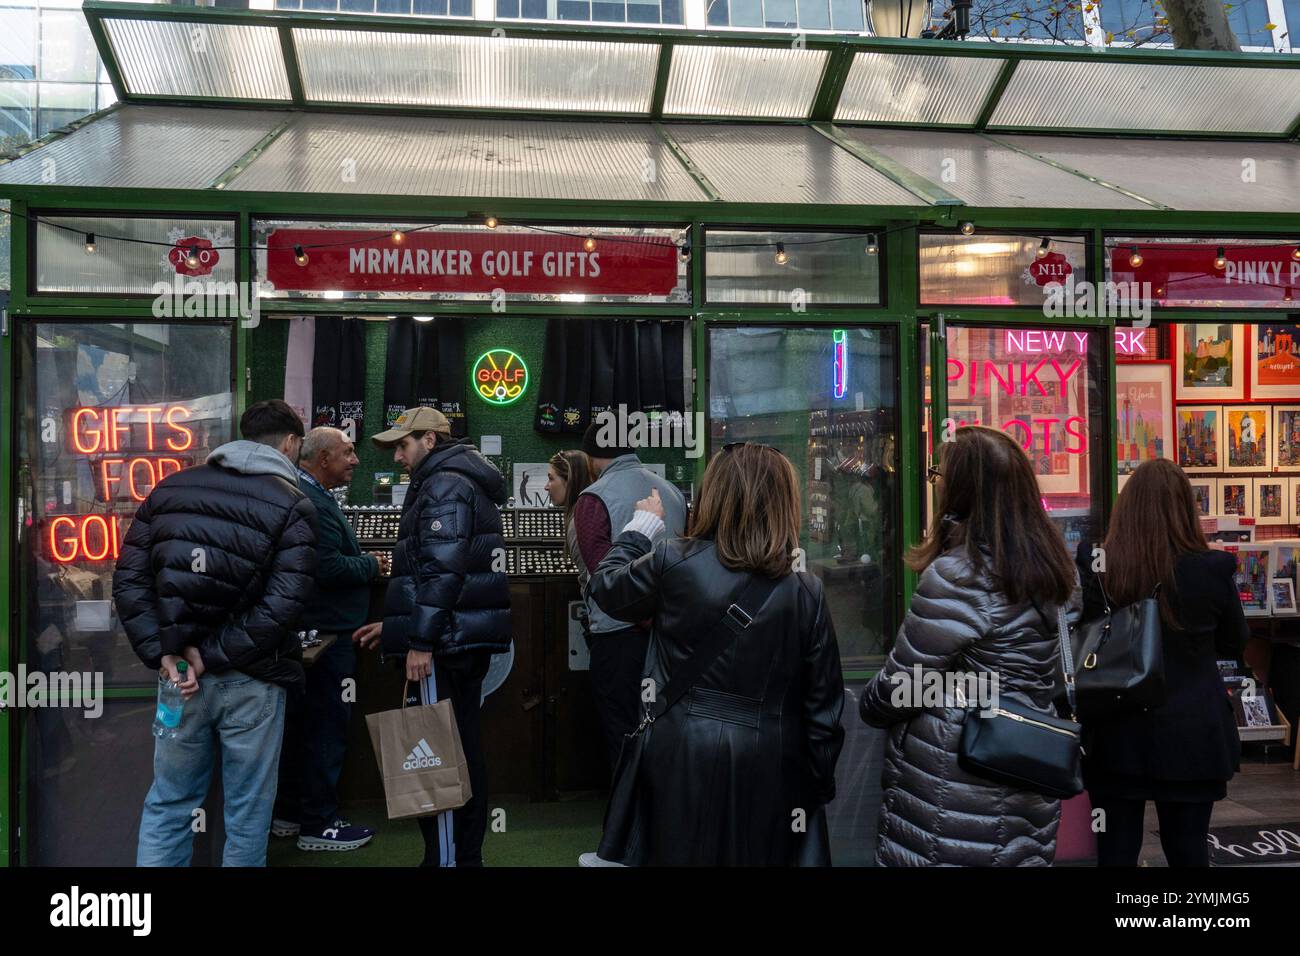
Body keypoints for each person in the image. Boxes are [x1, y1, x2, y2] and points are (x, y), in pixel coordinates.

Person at [587, 442, 845, 865]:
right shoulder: (805, 591)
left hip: (678, 754)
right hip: (769, 763)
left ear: (714, 494)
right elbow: (824, 712)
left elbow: (607, 588)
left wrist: (639, 529)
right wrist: (813, 786)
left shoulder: (674, 560)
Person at [860, 425, 1079, 867]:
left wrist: (873, 699)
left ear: (960, 492)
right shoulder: (1058, 575)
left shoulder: (958, 577)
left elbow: (899, 689)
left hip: (953, 791)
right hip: (1028, 775)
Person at [114, 399, 317, 867]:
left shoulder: (169, 491)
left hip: (178, 679)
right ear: (289, 444)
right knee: (248, 813)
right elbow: (285, 606)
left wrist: (163, 654)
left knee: (169, 802)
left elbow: (128, 581)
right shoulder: (293, 504)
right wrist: (215, 654)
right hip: (252, 680)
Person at [353, 407, 511, 867]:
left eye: (404, 445)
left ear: (431, 441)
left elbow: (442, 570)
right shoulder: (454, 480)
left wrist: (420, 640)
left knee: (439, 751)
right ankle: (462, 857)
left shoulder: (444, 484)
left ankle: (448, 858)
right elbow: (439, 573)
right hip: (454, 638)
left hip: (444, 646)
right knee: (459, 744)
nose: (398, 456)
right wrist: (400, 626)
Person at [1074, 458, 1248, 867]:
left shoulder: (1099, 563)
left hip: (1115, 731)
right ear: (1186, 508)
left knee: (1114, 852)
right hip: (1192, 733)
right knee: (1188, 850)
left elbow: (1087, 635)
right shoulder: (1212, 569)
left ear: (1127, 506)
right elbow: (1234, 641)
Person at [272, 426, 384, 852]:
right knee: (325, 728)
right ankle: (319, 824)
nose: (355, 460)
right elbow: (330, 568)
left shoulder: (308, 494)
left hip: (308, 632)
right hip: (326, 635)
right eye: (348, 453)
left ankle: (288, 814)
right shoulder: (314, 501)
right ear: (322, 459)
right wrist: (371, 565)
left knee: (301, 726)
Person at [573, 419, 687, 770]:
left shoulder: (592, 497)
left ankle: (627, 819)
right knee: (664, 730)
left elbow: (602, 575)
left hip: (618, 635)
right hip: (669, 635)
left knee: (622, 732)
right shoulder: (672, 491)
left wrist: (638, 613)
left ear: (591, 457)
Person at [544, 449, 595, 588]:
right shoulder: (590, 513)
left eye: (551, 478)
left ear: (570, 480)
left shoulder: (579, 524)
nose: (546, 487)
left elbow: (594, 583)